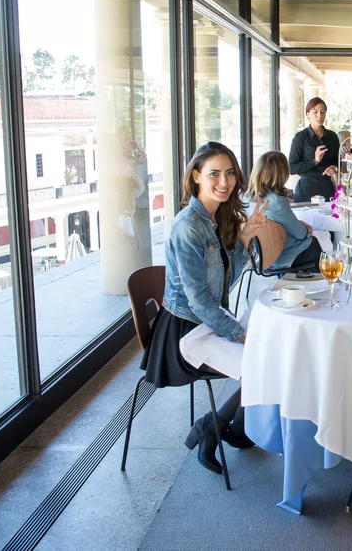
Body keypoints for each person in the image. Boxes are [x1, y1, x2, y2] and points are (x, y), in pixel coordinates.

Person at [141, 142, 269, 474]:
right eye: (214, 174)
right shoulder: (188, 226)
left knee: (275, 347)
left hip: (208, 320)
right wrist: (239, 335)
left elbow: (224, 282)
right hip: (184, 333)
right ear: (196, 176)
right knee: (265, 364)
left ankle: (225, 428)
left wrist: (244, 238)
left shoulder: (215, 218)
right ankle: (221, 427)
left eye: (230, 173)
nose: (224, 182)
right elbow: (198, 301)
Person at [247, 151, 323, 272]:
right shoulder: (277, 202)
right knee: (319, 241)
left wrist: (299, 224)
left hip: (261, 257)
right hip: (282, 257)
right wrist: (305, 228)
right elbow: (300, 234)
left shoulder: (247, 199)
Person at [288, 97, 340, 202]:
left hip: (327, 188)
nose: (319, 115)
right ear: (308, 114)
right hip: (306, 189)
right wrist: (314, 161)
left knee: (330, 213)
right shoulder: (300, 138)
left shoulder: (332, 136)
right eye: (315, 112)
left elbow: (338, 162)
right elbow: (292, 169)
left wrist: (334, 168)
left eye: (323, 112)